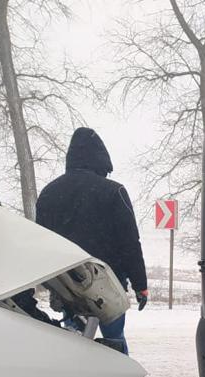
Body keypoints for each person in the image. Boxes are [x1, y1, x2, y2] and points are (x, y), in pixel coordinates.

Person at [35, 128, 148, 353]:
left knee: (73, 340)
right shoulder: (114, 192)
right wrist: (140, 285)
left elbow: (41, 243)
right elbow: (129, 243)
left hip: (68, 285)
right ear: (101, 159)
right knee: (114, 340)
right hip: (107, 286)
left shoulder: (49, 193)